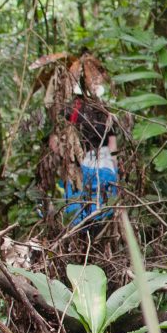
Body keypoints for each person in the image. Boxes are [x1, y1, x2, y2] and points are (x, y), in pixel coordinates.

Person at [62, 83, 119, 227]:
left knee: (79, 198)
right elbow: (112, 142)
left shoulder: (72, 112)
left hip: (83, 162)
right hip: (103, 161)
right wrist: (115, 166)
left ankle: (81, 229)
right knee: (103, 198)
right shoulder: (104, 112)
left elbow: (65, 142)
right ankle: (99, 225)